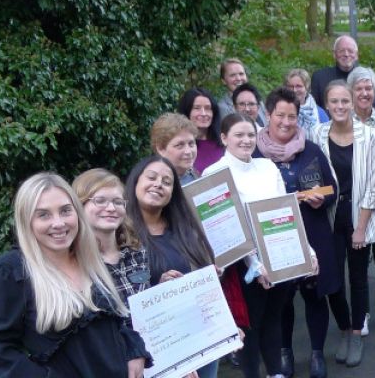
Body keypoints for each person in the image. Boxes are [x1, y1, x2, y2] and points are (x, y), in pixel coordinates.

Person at [0, 172, 151, 377]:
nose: (58, 223)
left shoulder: (87, 256)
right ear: (26, 220)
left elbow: (115, 320)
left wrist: (134, 350)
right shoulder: (11, 271)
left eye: (65, 211)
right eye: (43, 214)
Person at [203, 113, 303, 378]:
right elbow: (225, 230)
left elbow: (286, 210)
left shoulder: (267, 167)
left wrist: (307, 252)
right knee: (250, 325)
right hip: (242, 265)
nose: (246, 140)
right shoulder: (213, 174)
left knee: (274, 318)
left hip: (278, 256)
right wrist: (255, 265)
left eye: (250, 135)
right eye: (239, 135)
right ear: (224, 138)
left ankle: (275, 373)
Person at [254, 87, 342, 378]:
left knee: (315, 295)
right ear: (268, 115)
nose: (286, 122)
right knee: (282, 299)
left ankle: (317, 353)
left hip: (313, 232)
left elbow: (332, 189)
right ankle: (285, 352)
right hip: (275, 239)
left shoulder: (311, 149)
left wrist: (322, 198)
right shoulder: (254, 155)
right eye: (280, 115)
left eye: (292, 116)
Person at [123, 155, 221, 378]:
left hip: (201, 339)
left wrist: (208, 277)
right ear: (135, 182)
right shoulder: (120, 235)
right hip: (158, 349)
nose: (158, 184)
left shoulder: (185, 229)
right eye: (152, 177)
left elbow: (205, 280)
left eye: (167, 182)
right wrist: (160, 289)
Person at [312, 79, 375, 368]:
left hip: (359, 215)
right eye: (335, 101)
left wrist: (360, 228)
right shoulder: (316, 134)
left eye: (345, 101)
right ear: (326, 105)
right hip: (327, 217)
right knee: (332, 279)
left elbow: (372, 185)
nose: (340, 106)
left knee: (357, 278)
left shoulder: (368, 135)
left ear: (352, 103)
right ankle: (343, 328)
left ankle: (356, 333)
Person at [72, 168, 149, 304]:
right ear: (80, 206)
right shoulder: (77, 263)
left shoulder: (137, 252)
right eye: (100, 201)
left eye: (118, 202)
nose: (111, 208)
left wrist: (162, 287)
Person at [177, 88, 224, 175]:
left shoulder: (225, 141)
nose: (203, 113)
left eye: (207, 108)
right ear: (187, 112)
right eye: (197, 108)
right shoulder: (178, 146)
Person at [151, 113, 201, 185]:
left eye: (191, 144)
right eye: (180, 145)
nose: (188, 151)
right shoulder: (154, 185)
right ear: (161, 149)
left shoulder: (193, 174)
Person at [312, 35, 359, 109]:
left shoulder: (364, 80)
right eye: (341, 51)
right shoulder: (319, 78)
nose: (346, 54)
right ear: (334, 54)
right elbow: (315, 110)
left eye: (350, 51)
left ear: (356, 55)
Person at [217, 58, 267, 124]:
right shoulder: (222, 108)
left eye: (241, 74)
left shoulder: (257, 101)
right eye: (232, 75)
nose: (238, 78)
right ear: (223, 81)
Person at [347, 66, 375, 136]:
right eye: (359, 89)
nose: (364, 93)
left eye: (368, 88)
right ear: (350, 92)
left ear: (374, 91)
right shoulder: (341, 123)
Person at [286, 68, 330, 136]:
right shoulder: (278, 110)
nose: (294, 90)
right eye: (290, 86)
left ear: (307, 88)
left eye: (299, 86)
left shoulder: (319, 113)